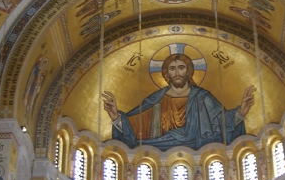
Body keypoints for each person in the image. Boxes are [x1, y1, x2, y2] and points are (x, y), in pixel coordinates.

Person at [102, 53, 255, 150]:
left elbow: (221, 121)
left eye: (181, 68)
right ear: (166, 74)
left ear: (188, 71)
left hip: (201, 151)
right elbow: (134, 126)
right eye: (172, 69)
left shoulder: (202, 97)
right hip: (159, 150)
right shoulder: (156, 100)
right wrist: (116, 116)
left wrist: (241, 112)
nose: (177, 73)